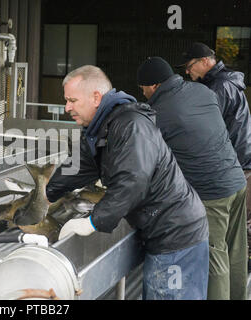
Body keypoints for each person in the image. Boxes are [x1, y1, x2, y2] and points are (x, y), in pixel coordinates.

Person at [47, 65, 209, 300]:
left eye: (72, 100)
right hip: (161, 233)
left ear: (95, 97)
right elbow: (78, 167)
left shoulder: (131, 125)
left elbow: (133, 181)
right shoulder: (100, 129)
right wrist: (45, 194)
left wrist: (93, 221)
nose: (67, 107)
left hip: (176, 238)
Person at [137, 56, 248, 300]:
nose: (142, 92)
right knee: (236, 249)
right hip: (237, 180)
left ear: (153, 85)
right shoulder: (202, 91)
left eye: (142, 87)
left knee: (213, 255)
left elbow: (148, 161)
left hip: (211, 192)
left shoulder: (157, 112)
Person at [180, 42, 251, 273]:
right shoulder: (224, 82)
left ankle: (232, 277)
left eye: (190, 66)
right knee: (239, 231)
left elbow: (203, 128)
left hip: (236, 165)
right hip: (242, 162)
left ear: (204, 61)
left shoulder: (219, 87)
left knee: (230, 234)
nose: (187, 72)